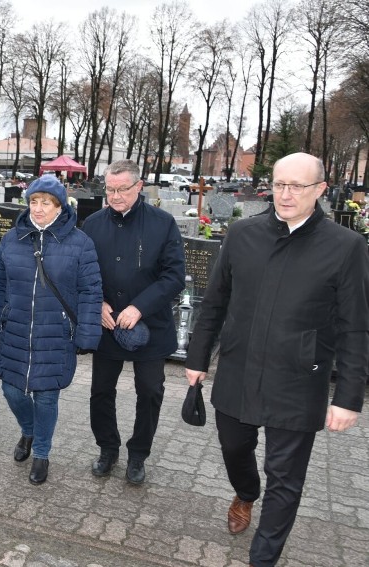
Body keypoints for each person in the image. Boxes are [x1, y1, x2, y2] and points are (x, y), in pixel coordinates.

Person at [184, 152, 368, 567]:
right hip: (238, 369)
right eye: (279, 184)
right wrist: (198, 358)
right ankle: (246, 492)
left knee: (285, 480)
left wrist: (349, 396)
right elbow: (214, 302)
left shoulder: (346, 246)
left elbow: (355, 326)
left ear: (320, 190)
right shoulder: (242, 234)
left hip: (300, 380)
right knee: (234, 448)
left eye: (297, 186)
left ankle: (262, 559)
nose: (285, 195)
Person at [0, 175, 103, 485]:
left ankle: (42, 453)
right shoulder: (13, 239)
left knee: (46, 398)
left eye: (46, 202)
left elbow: (90, 291)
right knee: (11, 389)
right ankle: (29, 431)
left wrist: (87, 334)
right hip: (16, 330)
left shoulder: (80, 243)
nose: (38, 208)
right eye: (34, 201)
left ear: (60, 206)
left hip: (55, 335)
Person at [80, 159, 185, 485]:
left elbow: (174, 276)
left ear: (139, 187)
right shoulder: (93, 224)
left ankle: (138, 454)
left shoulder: (163, 223)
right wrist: (97, 301)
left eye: (122, 189)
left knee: (151, 390)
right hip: (108, 324)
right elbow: (82, 272)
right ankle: (107, 448)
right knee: (100, 391)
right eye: (109, 189)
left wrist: (140, 307)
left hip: (149, 325)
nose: (115, 196)